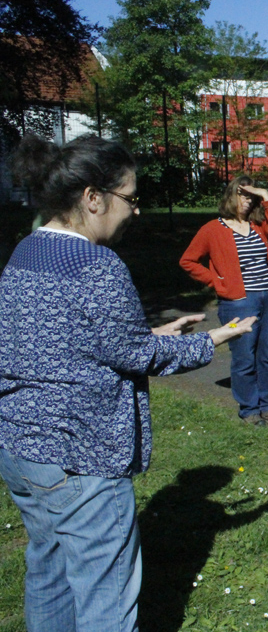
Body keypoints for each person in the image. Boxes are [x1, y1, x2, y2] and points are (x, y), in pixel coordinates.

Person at [0, 134, 254, 631]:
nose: (135, 212)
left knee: (48, 573)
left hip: (21, 450)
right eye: (130, 199)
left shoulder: (26, 250)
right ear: (93, 198)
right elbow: (137, 356)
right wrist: (217, 338)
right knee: (105, 600)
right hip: (83, 458)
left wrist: (149, 331)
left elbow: (57, 336)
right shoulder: (97, 264)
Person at [180, 175, 268, 427]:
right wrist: (217, 282)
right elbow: (188, 261)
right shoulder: (212, 229)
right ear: (231, 195)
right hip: (238, 301)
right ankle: (249, 408)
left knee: (266, 354)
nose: (248, 201)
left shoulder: (258, 225)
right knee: (244, 357)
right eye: (243, 195)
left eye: (252, 197)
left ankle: (266, 405)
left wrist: (265, 195)